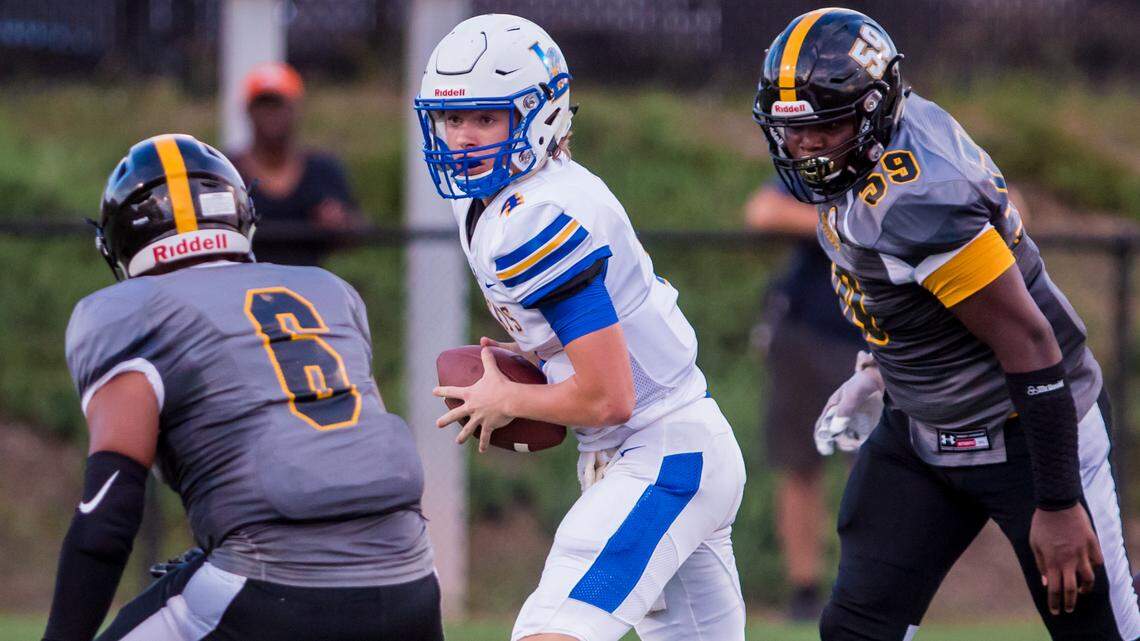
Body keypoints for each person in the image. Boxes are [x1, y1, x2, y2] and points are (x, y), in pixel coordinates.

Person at [752, 8, 1140, 640]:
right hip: (924, 428)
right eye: (795, 133)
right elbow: (913, 290)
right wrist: (885, 365)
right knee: (856, 630)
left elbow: (1031, 340)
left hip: (1025, 432)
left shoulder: (920, 201)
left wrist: (1061, 500)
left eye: (827, 128)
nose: (809, 148)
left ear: (874, 110)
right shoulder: (880, 145)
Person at [415, 14, 746, 641]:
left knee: (551, 633)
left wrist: (505, 396)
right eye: (452, 118)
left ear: (540, 114)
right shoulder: (500, 202)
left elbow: (608, 396)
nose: (461, 137)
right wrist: (537, 353)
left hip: (658, 451)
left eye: (486, 117)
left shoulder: (537, 215)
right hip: (677, 446)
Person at [41, 134, 442, 641]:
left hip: (269, 588)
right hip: (413, 587)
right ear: (240, 215)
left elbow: (109, 516)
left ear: (118, 242)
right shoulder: (328, 292)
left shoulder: (125, 313)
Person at [745, 178, 863, 620]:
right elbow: (762, 210)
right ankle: (804, 590)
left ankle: (865, 583)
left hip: (876, 342)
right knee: (799, 465)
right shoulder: (828, 163)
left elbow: (1008, 204)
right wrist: (848, 225)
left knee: (871, 467)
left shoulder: (914, 158)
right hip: (806, 334)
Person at [230, 62, 361, 266]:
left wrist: (339, 224)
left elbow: (356, 232)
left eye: (279, 104)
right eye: (264, 104)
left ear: (296, 109)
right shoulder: (229, 171)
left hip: (309, 291)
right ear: (249, 110)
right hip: (242, 291)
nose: (271, 114)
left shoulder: (322, 170)